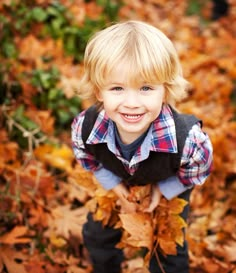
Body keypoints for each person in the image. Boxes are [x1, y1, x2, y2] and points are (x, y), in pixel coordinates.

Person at [71, 20, 213, 273]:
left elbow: (200, 167)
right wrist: (113, 186)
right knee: (98, 234)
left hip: (166, 182)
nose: (132, 103)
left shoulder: (187, 140)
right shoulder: (87, 126)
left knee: (168, 248)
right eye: (117, 88)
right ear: (99, 91)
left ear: (165, 90)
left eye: (146, 88)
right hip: (116, 181)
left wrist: (164, 190)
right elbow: (84, 154)